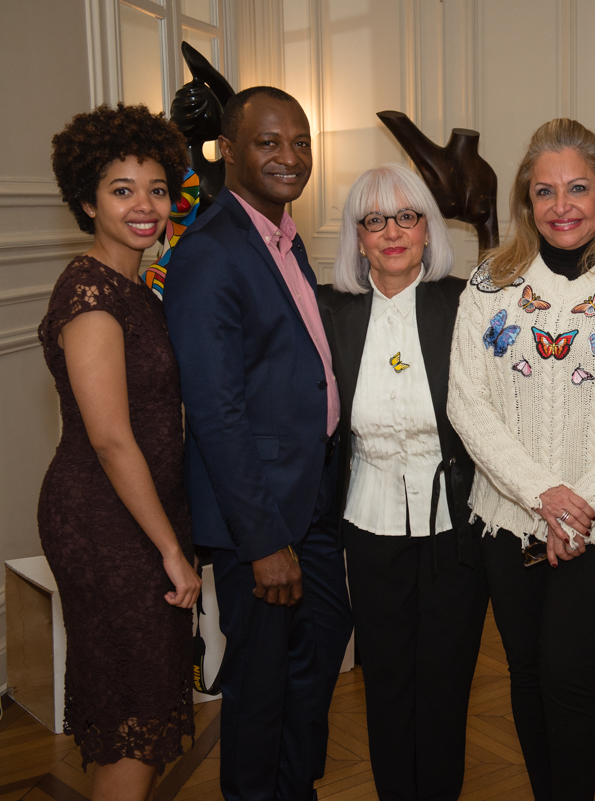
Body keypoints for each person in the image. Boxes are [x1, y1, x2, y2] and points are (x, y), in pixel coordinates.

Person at [446, 118, 595, 800]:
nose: (562, 205)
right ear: (527, 201)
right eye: (544, 191)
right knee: (524, 671)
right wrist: (540, 495)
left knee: (568, 676)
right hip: (507, 514)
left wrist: (580, 505)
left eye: (577, 187)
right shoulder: (492, 278)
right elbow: (466, 401)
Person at [163, 86, 354, 801]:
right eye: (269, 142)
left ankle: (291, 787)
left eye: (300, 142)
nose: (289, 156)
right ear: (229, 151)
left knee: (319, 650)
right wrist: (262, 540)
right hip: (262, 521)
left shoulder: (282, 236)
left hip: (308, 504)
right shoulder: (211, 251)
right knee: (262, 686)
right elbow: (215, 411)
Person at [40, 103, 199, 800]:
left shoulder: (137, 285)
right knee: (134, 716)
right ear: (86, 199)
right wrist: (169, 547)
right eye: (122, 188)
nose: (144, 205)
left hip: (137, 513)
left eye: (157, 188)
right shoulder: (90, 289)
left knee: (146, 707)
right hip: (107, 523)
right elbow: (109, 437)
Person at [316, 163, 487, 800]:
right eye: (374, 220)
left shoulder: (467, 301)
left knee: (446, 684)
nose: (392, 232)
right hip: (368, 519)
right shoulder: (329, 311)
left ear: (427, 229)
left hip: (457, 524)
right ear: (357, 238)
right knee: (385, 683)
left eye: (407, 216)